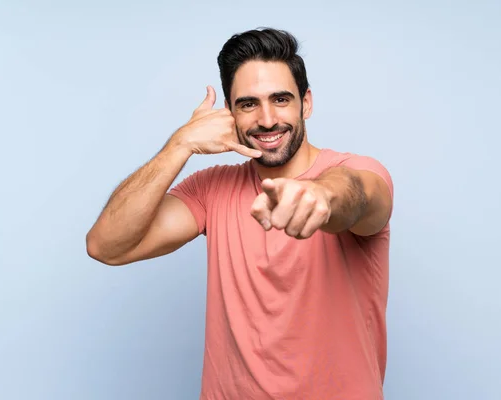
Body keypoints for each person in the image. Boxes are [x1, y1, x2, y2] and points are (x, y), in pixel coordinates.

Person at [86, 27, 394, 400]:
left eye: (281, 99)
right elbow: (106, 246)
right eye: (248, 104)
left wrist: (321, 195)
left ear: (306, 103)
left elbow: (359, 196)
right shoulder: (210, 189)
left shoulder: (358, 171)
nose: (267, 119)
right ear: (230, 114)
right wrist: (179, 145)